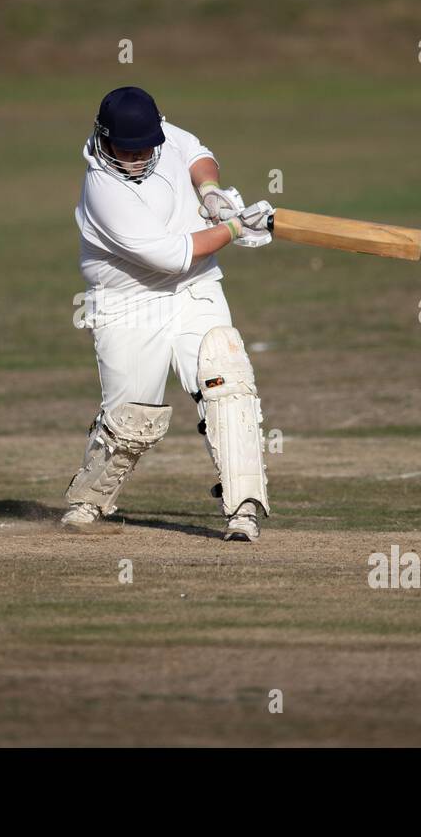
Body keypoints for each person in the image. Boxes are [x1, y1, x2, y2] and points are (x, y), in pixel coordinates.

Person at [63, 86, 274, 541]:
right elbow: (171, 254)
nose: (138, 158)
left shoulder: (160, 135)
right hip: (128, 302)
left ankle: (244, 507)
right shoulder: (104, 189)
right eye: (127, 150)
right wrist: (234, 227)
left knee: (227, 379)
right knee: (132, 420)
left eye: (146, 149)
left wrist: (213, 193)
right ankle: (90, 498)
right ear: (104, 138)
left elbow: (197, 152)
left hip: (194, 290)